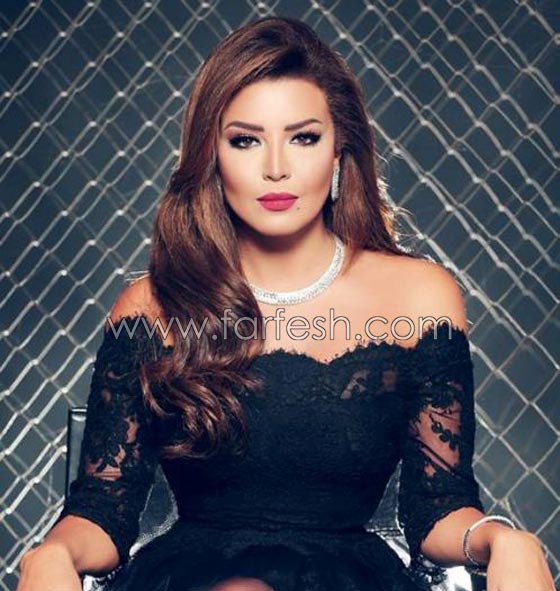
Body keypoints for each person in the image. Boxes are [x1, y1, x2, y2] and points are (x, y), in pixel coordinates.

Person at [17, 15, 554, 591]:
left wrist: (503, 539)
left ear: (340, 150)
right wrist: (50, 554)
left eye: (303, 137)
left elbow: (439, 504)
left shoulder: (420, 297)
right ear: (212, 155)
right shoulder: (151, 307)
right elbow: (104, 507)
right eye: (245, 140)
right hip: (195, 577)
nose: (276, 167)